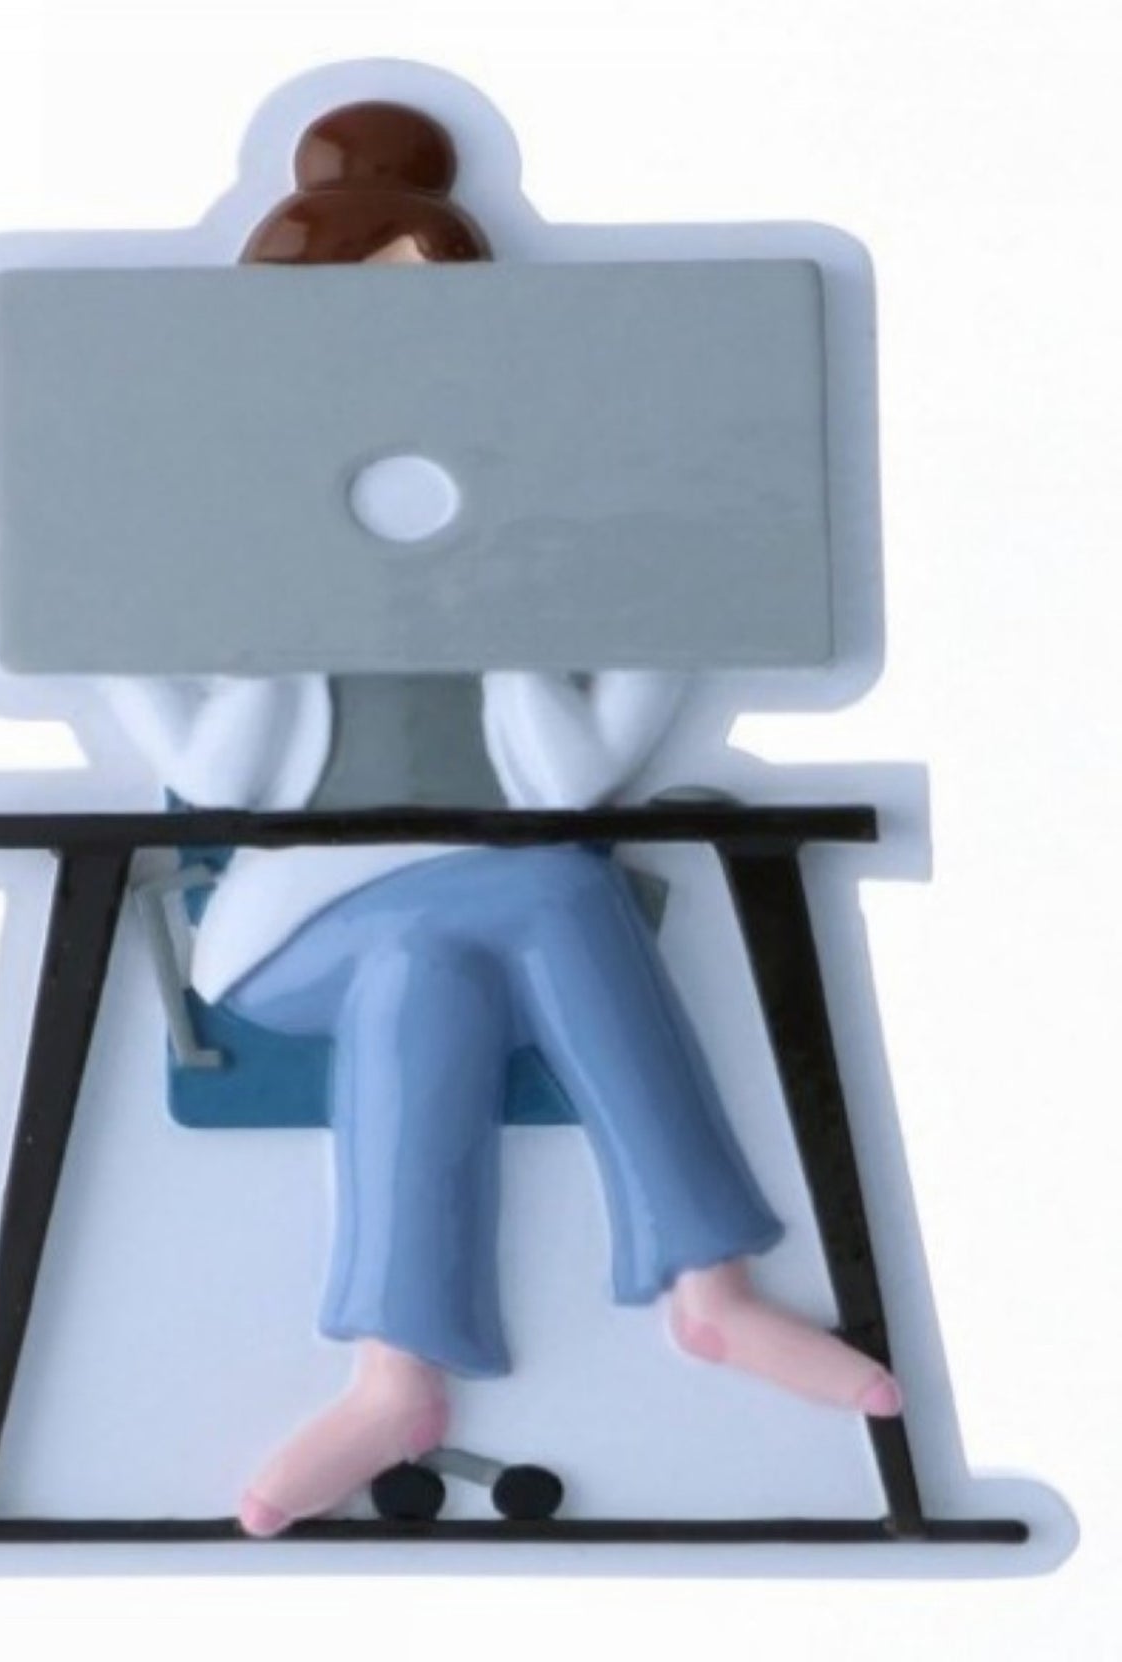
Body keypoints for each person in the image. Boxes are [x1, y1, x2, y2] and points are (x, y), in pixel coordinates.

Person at [104, 101, 902, 1539]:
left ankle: (395, 1380)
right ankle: (709, 1287)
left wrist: (525, 600)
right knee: (548, 895)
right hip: (296, 928)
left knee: (442, 955)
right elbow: (215, 787)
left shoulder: (561, 534)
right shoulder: (229, 537)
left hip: (481, 913)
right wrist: (284, 607)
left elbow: (571, 785)